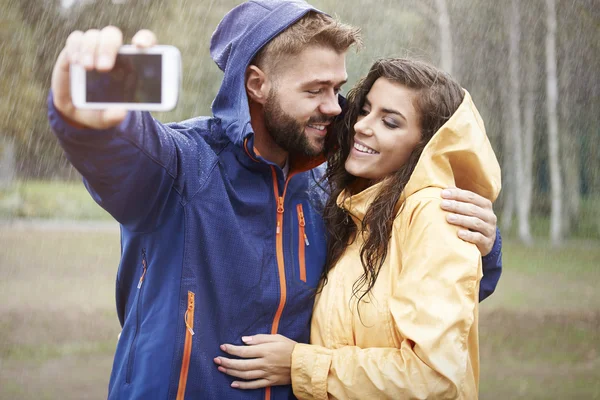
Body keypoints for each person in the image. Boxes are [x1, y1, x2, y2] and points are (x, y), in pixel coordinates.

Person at [48, 1, 502, 398]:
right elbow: (123, 153)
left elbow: (403, 296)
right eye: (315, 90)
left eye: (337, 87)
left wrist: (481, 242)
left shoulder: (329, 190)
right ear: (257, 84)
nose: (337, 107)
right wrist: (88, 124)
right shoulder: (185, 166)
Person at [215, 58, 501, 399]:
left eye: (390, 123)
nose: (363, 126)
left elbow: (434, 379)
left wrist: (300, 365)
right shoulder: (351, 211)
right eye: (365, 110)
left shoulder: (432, 216)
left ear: (425, 146)